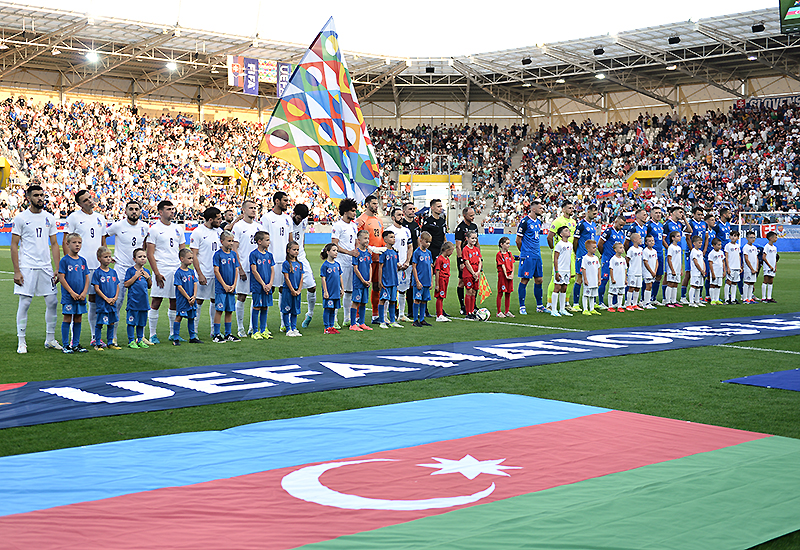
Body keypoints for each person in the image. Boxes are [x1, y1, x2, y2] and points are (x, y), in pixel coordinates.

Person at [11, 184, 62, 354]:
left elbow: (54, 243)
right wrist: (17, 270)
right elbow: (14, 245)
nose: (40, 198)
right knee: (25, 302)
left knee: (52, 302)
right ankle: (21, 341)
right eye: (36, 195)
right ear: (28, 198)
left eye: (42, 195)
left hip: (45, 267)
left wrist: (57, 267)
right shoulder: (20, 218)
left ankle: (50, 339)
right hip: (27, 266)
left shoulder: (49, 218)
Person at [64, 189, 107, 342]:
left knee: (94, 301)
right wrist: (68, 262)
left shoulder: (100, 218)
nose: (90, 201)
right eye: (85, 200)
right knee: (75, 301)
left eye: (90, 198)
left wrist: (105, 259)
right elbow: (65, 241)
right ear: (80, 204)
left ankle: (95, 337)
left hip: (97, 266)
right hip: (79, 267)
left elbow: (102, 242)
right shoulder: (74, 217)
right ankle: (72, 339)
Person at [106, 200, 148, 343]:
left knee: (141, 303)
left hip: (138, 270)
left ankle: (141, 337)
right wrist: (107, 254)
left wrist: (142, 259)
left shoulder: (144, 227)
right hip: (121, 269)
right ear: (125, 211)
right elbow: (104, 235)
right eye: (131, 209)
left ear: (140, 211)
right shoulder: (118, 225)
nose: (134, 212)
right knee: (117, 303)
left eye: (136, 209)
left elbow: (144, 244)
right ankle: (113, 336)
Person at [147, 200, 185, 344]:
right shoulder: (155, 229)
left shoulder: (178, 229)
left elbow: (183, 251)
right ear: (160, 212)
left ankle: (173, 333)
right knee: (156, 301)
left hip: (176, 268)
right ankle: (152, 334)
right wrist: (156, 273)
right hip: (161, 268)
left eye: (172, 209)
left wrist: (182, 270)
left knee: (175, 301)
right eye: (168, 209)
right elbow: (150, 253)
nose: (172, 211)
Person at [231, 199, 266, 338]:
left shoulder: (259, 226)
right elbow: (234, 248)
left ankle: (253, 327)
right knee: (242, 296)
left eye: (255, 208)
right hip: (244, 267)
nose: (253, 210)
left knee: (256, 297)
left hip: (257, 268)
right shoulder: (238, 226)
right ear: (243, 210)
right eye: (251, 208)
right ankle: (240, 328)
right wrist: (239, 268)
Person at [261, 191, 294, 330]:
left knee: (284, 290)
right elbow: (263, 239)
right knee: (268, 290)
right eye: (285, 200)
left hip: (284, 260)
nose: (287, 203)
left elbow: (290, 240)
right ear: (277, 201)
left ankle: (283, 323)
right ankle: (260, 325)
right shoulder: (267, 218)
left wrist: (291, 259)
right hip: (271, 261)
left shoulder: (288, 219)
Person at [189, 207, 223, 338]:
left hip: (217, 273)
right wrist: (200, 273)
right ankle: (194, 331)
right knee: (198, 301)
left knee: (215, 301)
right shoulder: (198, 232)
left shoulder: (219, 232)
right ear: (210, 219)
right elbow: (194, 255)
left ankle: (214, 330)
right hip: (204, 273)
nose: (220, 221)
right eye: (218, 219)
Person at [57, 233, 90, 353]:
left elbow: (87, 277)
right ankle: (66, 345)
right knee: (67, 318)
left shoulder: (82, 260)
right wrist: (71, 292)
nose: (77, 245)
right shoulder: (65, 260)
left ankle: (75, 344)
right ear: (67, 244)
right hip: (69, 296)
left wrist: (84, 292)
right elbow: (61, 277)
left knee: (78, 318)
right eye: (74, 242)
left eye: (79, 243)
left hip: (81, 296)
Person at [330, 198, 359, 328]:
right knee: (338, 291)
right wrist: (349, 252)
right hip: (340, 262)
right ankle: (334, 319)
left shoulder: (353, 225)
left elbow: (356, 242)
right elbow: (334, 244)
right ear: (345, 211)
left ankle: (347, 318)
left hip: (351, 263)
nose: (354, 213)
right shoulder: (338, 225)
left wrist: (356, 251)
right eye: (352, 211)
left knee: (349, 291)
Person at [357, 194, 384, 324]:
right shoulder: (361, 220)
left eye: (376, 203)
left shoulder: (379, 220)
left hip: (378, 258)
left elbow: (381, 238)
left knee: (377, 286)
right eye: (373, 203)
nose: (376, 206)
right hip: (366, 259)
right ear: (367, 204)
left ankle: (375, 315)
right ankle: (357, 316)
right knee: (362, 286)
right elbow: (358, 240)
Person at [290, 204, 318, 329]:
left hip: (301, 257)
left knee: (312, 286)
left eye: (302, 218)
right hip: (289, 258)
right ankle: (285, 322)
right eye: (298, 218)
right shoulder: (287, 222)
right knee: (286, 290)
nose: (300, 220)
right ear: (294, 213)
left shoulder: (304, 221)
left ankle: (310, 314)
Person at [515, 201, 545, 314]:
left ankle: (540, 306)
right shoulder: (525, 222)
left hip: (537, 255)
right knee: (525, 279)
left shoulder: (539, 222)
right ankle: (522, 306)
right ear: (533, 209)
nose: (542, 210)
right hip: (528, 255)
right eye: (540, 208)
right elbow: (518, 240)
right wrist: (524, 252)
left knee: (539, 280)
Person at [546, 201, 576, 311]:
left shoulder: (573, 222)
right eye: (569, 208)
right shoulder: (557, 221)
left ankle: (566, 303)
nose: (572, 210)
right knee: (555, 278)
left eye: (572, 208)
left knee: (571, 278)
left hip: (570, 253)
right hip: (560, 253)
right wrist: (553, 249)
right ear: (563, 209)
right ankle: (549, 303)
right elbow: (550, 237)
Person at [385, 208, 413, 322]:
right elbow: (387, 248)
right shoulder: (389, 230)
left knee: (402, 290)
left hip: (405, 265)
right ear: (393, 217)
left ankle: (401, 314)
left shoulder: (407, 230)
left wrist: (407, 261)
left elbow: (410, 247)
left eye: (402, 214)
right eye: (398, 215)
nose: (401, 217)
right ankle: (386, 316)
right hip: (393, 266)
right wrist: (395, 263)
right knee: (390, 290)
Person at [212, 231, 240, 343]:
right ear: (222, 241)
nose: (231, 243)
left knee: (229, 310)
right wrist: (224, 285)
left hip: (231, 288)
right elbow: (216, 271)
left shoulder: (233, 254)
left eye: (232, 241)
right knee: (219, 310)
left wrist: (234, 284)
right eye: (229, 241)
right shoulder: (218, 255)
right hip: (221, 288)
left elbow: (236, 269)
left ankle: (228, 333)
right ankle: (216, 334)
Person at [91, 246, 121, 350]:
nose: (108, 259)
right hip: (102, 303)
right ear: (99, 259)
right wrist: (106, 299)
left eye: (109, 257)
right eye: (105, 257)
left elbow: (117, 286)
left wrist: (115, 297)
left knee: (111, 322)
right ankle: (97, 343)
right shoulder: (97, 272)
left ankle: (110, 342)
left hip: (112, 302)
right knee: (100, 322)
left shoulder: (113, 272)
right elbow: (97, 288)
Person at [249, 231, 275, 340]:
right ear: (259, 241)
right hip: (258, 286)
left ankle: (263, 330)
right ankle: (255, 331)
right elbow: (254, 271)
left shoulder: (269, 255)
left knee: (265, 306)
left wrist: (270, 284)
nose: (269, 242)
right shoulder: (254, 254)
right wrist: (263, 284)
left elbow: (272, 270)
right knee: (257, 306)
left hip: (267, 286)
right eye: (267, 240)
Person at [123, 248, 152, 348]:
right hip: (133, 302)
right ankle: (131, 340)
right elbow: (126, 284)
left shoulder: (146, 271)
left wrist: (148, 278)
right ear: (134, 259)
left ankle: (140, 339)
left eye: (144, 256)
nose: (142, 258)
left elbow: (149, 286)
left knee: (141, 322)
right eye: (140, 257)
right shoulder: (130, 271)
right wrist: (136, 276)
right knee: (131, 322)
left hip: (143, 302)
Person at [172, 249, 202, 345]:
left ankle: (192, 337)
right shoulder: (178, 273)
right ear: (182, 259)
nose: (191, 260)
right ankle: (175, 338)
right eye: (189, 258)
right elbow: (179, 287)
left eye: (192, 258)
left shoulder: (191, 272)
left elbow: (195, 283)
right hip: (183, 300)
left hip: (192, 299)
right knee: (179, 317)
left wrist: (194, 296)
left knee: (191, 317)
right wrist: (188, 298)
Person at [597, 216, 626, 309]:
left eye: (623, 225)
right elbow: (600, 244)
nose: (621, 227)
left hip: (617, 261)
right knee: (604, 280)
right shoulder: (608, 231)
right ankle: (600, 302)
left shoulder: (621, 233)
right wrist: (604, 254)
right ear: (615, 222)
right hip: (607, 260)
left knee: (617, 280)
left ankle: (615, 302)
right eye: (620, 225)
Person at [454, 207, 479, 315]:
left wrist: (479, 258)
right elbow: (458, 246)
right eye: (471, 215)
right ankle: (463, 306)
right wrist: (461, 261)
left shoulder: (474, 227)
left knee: (475, 280)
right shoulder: (460, 228)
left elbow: (477, 243)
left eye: (473, 215)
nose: (473, 217)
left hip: (474, 258)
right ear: (464, 216)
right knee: (461, 282)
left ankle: (473, 305)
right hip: (464, 258)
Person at [400, 201, 422, 320]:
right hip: (402, 259)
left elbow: (418, 241)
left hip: (413, 258)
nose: (412, 211)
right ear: (404, 212)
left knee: (411, 285)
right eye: (410, 209)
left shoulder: (416, 225)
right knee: (400, 285)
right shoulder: (401, 225)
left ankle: (410, 311)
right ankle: (398, 311)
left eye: (413, 209)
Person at [572, 205, 597, 309]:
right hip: (582, 256)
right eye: (593, 213)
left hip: (591, 256)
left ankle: (592, 302)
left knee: (592, 278)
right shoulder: (581, 224)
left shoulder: (594, 224)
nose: (595, 215)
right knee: (579, 279)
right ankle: (576, 304)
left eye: (596, 214)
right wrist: (577, 253)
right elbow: (575, 240)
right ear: (588, 212)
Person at [378, 231, 403, 328]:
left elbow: (396, 265)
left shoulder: (395, 252)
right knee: (383, 300)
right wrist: (380, 281)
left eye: (394, 237)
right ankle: (382, 321)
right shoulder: (383, 252)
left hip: (394, 281)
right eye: (391, 237)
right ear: (385, 239)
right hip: (385, 281)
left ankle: (392, 321)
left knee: (393, 300)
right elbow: (380, 267)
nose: (393, 239)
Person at [349, 229, 373, 332]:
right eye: (365, 238)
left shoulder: (368, 253)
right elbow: (355, 268)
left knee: (364, 302)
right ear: (359, 240)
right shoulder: (356, 253)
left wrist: (370, 279)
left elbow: (370, 266)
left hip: (366, 282)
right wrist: (363, 280)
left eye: (368, 238)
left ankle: (362, 322)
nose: (367, 240)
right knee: (356, 302)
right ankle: (353, 324)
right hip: (359, 283)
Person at [664, 206, 687, 303]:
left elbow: (689, 230)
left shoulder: (680, 224)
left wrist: (684, 219)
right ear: (673, 213)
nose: (682, 214)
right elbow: (663, 239)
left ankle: (673, 300)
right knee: (668, 279)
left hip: (677, 262)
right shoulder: (667, 224)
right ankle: (666, 300)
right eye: (680, 212)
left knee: (675, 283)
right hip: (671, 255)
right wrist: (669, 249)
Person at [684, 207, 708, 303]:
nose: (700, 216)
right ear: (693, 214)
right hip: (691, 251)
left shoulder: (704, 224)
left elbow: (706, 238)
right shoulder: (690, 223)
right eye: (698, 214)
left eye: (701, 214)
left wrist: (704, 249)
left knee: (701, 273)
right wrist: (692, 250)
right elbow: (687, 238)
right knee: (688, 273)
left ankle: (698, 297)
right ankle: (683, 296)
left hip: (700, 252)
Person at [282, 241, 304, 336]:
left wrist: (299, 290)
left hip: (297, 291)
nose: (296, 251)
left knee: (295, 310)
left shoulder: (300, 264)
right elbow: (286, 278)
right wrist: (292, 290)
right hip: (288, 290)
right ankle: (288, 329)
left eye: (297, 250)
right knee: (286, 310)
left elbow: (302, 278)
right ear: (288, 250)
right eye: (294, 249)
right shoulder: (286, 263)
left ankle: (294, 328)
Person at [319, 243, 343, 334]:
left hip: (336, 291)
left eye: (337, 250)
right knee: (328, 309)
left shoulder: (337, 264)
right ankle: (327, 327)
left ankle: (332, 326)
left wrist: (342, 288)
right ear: (328, 252)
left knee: (333, 309)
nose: (336, 252)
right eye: (334, 250)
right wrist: (325, 291)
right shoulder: (325, 265)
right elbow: (323, 279)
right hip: (329, 292)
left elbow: (340, 277)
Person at [411, 231, 434, 327]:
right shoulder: (417, 252)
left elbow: (430, 267)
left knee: (424, 300)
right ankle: (415, 320)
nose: (428, 244)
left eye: (429, 242)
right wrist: (417, 281)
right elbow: (414, 267)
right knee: (417, 299)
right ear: (421, 240)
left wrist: (431, 281)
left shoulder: (429, 253)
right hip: (419, 281)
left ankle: (422, 319)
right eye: (426, 242)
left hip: (426, 281)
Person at [551, 226, 573, 317]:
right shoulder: (559, 244)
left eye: (568, 230)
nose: (568, 232)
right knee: (557, 288)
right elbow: (556, 258)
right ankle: (553, 310)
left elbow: (569, 259)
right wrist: (556, 271)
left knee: (564, 288)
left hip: (566, 270)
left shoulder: (570, 244)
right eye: (566, 231)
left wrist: (570, 271)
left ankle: (562, 309)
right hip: (560, 269)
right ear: (561, 234)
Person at [461, 230, 482, 319]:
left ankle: (472, 310)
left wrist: (478, 272)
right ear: (467, 238)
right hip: (469, 273)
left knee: (474, 292)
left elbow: (480, 261)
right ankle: (468, 312)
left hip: (476, 273)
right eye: (472, 238)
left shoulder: (476, 249)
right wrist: (473, 273)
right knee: (469, 291)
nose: (474, 240)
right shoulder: (465, 249)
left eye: (475, 238)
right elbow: (467, 262)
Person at [646, 207, 665, 304]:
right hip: (651, 254)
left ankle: (653, 298)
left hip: (660, 253)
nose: (658, 215)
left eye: (659, 213)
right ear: (651, 214)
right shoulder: (648, 225)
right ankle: (644, 298)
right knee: (648, 277)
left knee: (659, 276)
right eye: (656, 213)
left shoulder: (661, 225)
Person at [433, 241, 454, 323]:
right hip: (441, 279)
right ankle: (439, 315)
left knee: (442, 296)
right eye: (451, 251)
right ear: (447, 250)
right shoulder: (440, 259)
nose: (452, 253)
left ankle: (441, 313)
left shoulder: (447, 259)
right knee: (440, 296)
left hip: (446, 279)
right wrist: (437, 284)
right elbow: (437, 272)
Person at [580, 240, 601, 316]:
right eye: (593, 248)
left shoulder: (596, 258)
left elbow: (598, 268)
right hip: (588, 280)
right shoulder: (585, 258)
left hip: (594, 280)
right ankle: (585, 309)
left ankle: (592, 309)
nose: (595, 249)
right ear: (588, 249)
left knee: (592, 295)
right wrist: (585, 279)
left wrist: (599, 279)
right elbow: (584, 269)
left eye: (595, 247)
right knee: (586, 294)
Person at [496, 236, 515, 318]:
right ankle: (499, 312)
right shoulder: (499, 254)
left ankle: (507, 311)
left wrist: (512, 274)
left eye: (509, 243)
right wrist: (506, 275)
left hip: (509, 275)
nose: (508, 245)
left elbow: (512, 264)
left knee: (508, 293)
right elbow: (502, 265)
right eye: (507, 243)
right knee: (500, 293)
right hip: (503, 276)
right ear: (501, 244)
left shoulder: (509, 253)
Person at [625, 232, 644, 311]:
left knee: (637, 288)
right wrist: (630, 267)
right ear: (635, 240)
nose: (641, 240)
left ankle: (635, 304)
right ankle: (628, 304)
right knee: (631, 287)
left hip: (639, 272)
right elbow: (627, 259)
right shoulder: (631, 249)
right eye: (640, 238)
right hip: (633, 272)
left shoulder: (641, 249)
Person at [665, 231, 683, 308]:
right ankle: (668, 301)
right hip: (672, 269)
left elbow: (679, 259)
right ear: (673, 238)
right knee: (670, 284)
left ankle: (674, 300)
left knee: (675, 284)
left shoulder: (679, 248)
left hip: (677, 269)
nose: (679, 237)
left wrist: (681, 269)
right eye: (678, 236)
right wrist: (672, 269)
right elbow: (669, 259)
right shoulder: (671, 247)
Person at [608, 243, 627, 312]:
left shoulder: (623, 259)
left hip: (621, 279)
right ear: (615, 250)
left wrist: (625, 279)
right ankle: (610, 306)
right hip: (615, 279)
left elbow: (625, 269)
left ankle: (619, 306)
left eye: (623, 248)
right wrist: (612, 279)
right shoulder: (613, 259)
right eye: (620, 248)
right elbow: (611, 269)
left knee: (620, 293)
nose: (622, 249)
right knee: (612, 292)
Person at [724, 230, 742, 304]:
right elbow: (726, 257)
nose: (733, 237)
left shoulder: (737, 246)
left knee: (735, 283)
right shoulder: (728, 246)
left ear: (738, 238)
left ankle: (733, 299)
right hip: (731, 267)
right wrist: (727, 267)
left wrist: (740, 266)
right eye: (732, 236)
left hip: (737, 267)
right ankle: (726, 298)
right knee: (728, 282)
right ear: (729, 237)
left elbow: (739, 256)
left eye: (735, 236)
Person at [688, 235, 706, 307]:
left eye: (701, 243)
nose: (701, 244)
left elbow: (702, 261)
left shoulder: (700, 252)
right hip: (695, 272)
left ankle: (697, 300)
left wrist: (704, 269)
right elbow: (695, 262)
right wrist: (701, 270)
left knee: (699, 286)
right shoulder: (693, 251)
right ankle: (691, 302)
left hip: (701, 272)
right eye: (699, 243)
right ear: (694, 243)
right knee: (694, 286)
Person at [742, 231, 759, 304]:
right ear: (747, 238)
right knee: (747, 282)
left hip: (754, 268)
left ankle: (750, 298)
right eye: (751, 237)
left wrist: (756, 267)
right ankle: (745, 298)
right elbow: (746, 259)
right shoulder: (746, 247)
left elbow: (756, 258)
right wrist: (751, 268)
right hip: (748, 268)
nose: (753, 239)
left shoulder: (754, 248)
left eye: (754, 237)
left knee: (752, 283)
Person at [642, 235, 659, 309]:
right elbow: (645, 262)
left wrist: (655, 271)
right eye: (649, 241)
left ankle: (647, 302)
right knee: (648, 286)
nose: (651, 242)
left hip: (653, 272)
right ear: (646, 243)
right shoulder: (645, 251)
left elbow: (656, 261)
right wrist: (651, 272)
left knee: (650, 286)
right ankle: (646, 303)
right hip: (647, 271)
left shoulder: (654, 251)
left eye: (652, 241)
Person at [707, 238, 725, 305]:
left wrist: (724, 271)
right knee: (713, 285)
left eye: (720, 245)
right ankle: (712, 299)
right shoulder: (712, 253)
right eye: (718, 245)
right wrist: (712, 273)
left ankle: (717, 299)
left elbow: (723, 262)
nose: (720, 246)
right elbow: (710, 263)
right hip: (715, 271)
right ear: (714, 245)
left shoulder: (721, 252)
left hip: (720, 272)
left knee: (718, 285)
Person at [761, 231, 778, 303]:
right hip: (767, 267)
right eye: (775, 237)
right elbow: (764, 257)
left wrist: (775, 266)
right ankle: (763, 297)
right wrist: (769, 265)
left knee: (771, 281)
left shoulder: (775, 248)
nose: (776, 239)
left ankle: (769, 297)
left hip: (772, 267)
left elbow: (775, 258)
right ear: (770, 238)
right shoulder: (766, 246)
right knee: (766, 280)